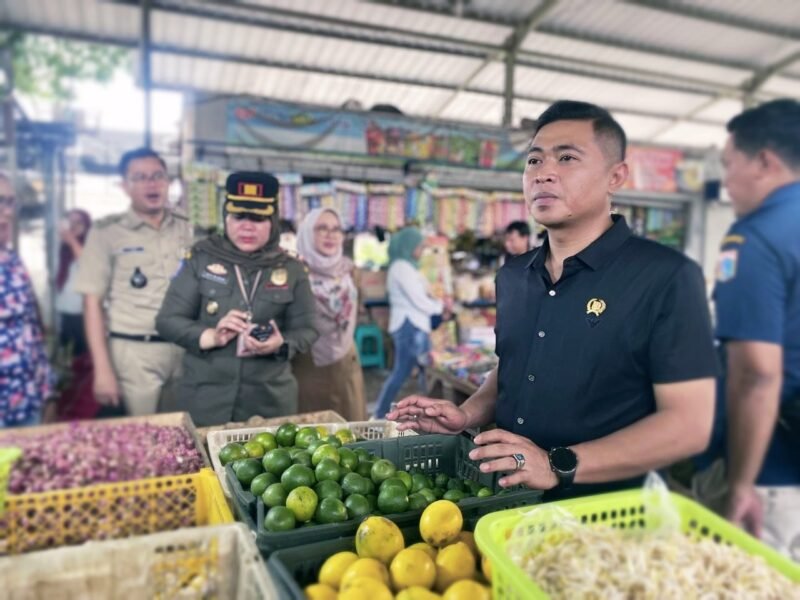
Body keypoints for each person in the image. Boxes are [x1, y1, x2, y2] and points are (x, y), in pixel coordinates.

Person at [389, 101, 718, 499]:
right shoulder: (514, 275)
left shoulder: (666, 276)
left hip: (609, 513)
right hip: (507, 502)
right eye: (533, 161)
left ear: (615, 176)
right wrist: (468, 414)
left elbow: (689, 425)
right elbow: (513, 367)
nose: (543, 173)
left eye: (566, 158)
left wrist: (558, 464)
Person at [705, 99, 800, 558]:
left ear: (764, 161)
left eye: (729, 165)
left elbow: (758, 374)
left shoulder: (758, 237)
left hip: (776, 475)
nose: (725, 182)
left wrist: (741, 484)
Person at [156, 172, 317, 427]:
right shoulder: (200, 258)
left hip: (268, 402)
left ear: (273, 220)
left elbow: (309, 328)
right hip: (205, 400)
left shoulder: (292, 268)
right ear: (225, 217)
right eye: (238, 216)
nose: (247, 226)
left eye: (258, 218)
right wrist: (210, 336)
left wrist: (281, 343)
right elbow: (167, 320)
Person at [73, 148, 193, 416]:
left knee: (184, 436)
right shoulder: (107, 233)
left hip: (186, 350)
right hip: (135, 352)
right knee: (145, 437)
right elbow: (92, 301)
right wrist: (102, 370)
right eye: (139, 177)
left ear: (168, 182)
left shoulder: (187, 228)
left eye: (157, 175)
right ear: (124, 186)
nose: (151, 183)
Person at [292, 208, 366, 421]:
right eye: (321, 228)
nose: (330, 234)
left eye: (336, 229)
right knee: (313, 432)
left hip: (347, 362)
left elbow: (356, 308)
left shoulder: (350, 270)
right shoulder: (294, 272)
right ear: (306, 232)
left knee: (351, 428)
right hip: (308, 365)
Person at [0, 173, 55, 427]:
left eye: (11, 202)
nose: (7, 212)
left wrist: (47, 392)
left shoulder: (12, 262)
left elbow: (32, 332)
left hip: (25, 404)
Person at [373, 226, 443, 419]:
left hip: (415, 325)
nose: (421, 251)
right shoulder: (401, 267)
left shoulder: (408, 267)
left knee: (425, 370)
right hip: (409, 326)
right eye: (419, 246)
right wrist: (438, 307)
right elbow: (418, 299)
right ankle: (380, 413)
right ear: (408, 245)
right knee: (402, 371)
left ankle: (430, 413)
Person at [56, 209, 92, 357]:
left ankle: (82, 375)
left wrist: (71, 241)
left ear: (87, 226)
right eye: (70, 222)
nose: (74, 225)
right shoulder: (63, 247)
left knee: (82, 348)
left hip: (81, 310)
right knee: (64, 343)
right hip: (64, 306)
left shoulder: (90, 246)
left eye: (78, 222)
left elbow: (87, 264)